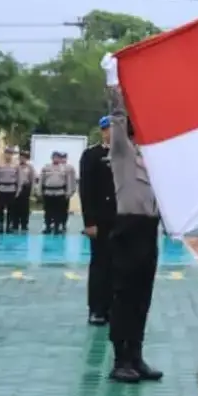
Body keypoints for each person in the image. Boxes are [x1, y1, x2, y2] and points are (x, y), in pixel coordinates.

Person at [100, 52, 163, 384]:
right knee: (124, 297)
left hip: (149, 230)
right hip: (128, 229)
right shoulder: (123, 153)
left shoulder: (152, 161)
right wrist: (114, 82)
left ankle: (136, 356)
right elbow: (118, 115)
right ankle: (120, 359)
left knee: (143, 296)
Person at [80, 116, 117, 325]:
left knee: (119, 265)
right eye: (107, 129)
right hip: (101, 220)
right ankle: (96, 308)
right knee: (100, 264)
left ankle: (113, 307)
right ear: (102, 131)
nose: (110, 133)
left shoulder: (126, 154)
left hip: (122, 219)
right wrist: (89, 222)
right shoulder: (92, 155)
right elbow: (86, 190)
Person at [39, 150, 77, 234]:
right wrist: (40, 191)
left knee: (59, 211)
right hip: (48, 192)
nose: (56, 159)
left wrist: (69, 192)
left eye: (58, 157)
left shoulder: (65, 168)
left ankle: (57, 227)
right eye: (54, 157)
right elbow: (41, 180)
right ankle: (48, 226)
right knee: (48, 211)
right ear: (52, 158)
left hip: (60, 192)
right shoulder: (46, 167)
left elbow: (68, 181)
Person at [0, 147, 21, 234]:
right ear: (4, 154)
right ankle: (0, 226)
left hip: (11, 189)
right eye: (7, 153)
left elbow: (19, 179)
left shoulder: (16, 165)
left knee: (10, 209)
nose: (8, 155)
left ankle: (9, 226)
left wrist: (18, 190)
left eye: (10, 154)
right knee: (1, 209)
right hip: (1, 189)